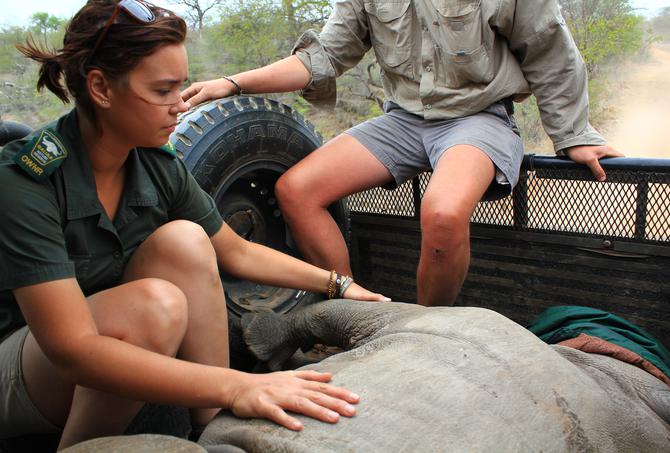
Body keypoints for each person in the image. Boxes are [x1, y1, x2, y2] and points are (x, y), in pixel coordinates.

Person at [0, 0, 389, 449]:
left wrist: (337, 284)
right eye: (163, 90)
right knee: (153, 306)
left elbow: (235, 251)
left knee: (185, 241)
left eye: (181, 87)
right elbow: (72, 349)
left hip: (104, 348)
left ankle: (209, 427)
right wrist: (238, 385)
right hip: (23, 364)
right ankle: (86, 446)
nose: (179, 105)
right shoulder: (27, 180)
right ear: (101, 88)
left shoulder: (152, 163)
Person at [182, 0, 625, 307]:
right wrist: (234, 83)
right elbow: (324, 58)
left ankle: (424, 330)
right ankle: (352, 315)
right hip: (404, 119)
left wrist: (572, 134)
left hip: (477, 117)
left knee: (444, 212)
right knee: (296, 189)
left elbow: (549, 50)